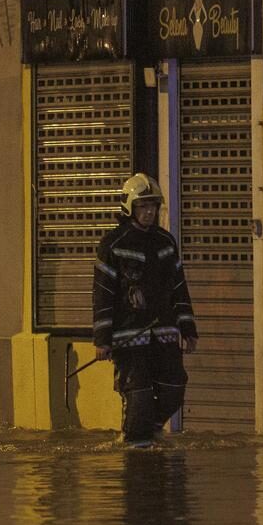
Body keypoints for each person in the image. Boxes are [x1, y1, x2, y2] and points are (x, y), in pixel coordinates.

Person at [93, 173, 199, 447]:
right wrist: (102, 340)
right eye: (143, 206)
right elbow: (103, 295)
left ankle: (146, 430)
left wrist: (188, 328)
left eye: (153, 206)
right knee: (138, 395)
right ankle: (134, 449)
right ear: (129, 207)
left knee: (174, 388)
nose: (149, 212)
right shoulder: (113, 245)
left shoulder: (165, 242)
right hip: (129, 337)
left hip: (164, 333)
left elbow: (179, 286)